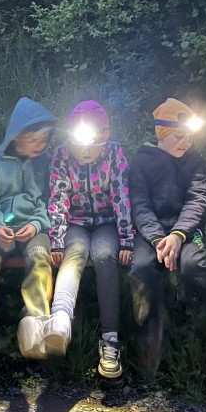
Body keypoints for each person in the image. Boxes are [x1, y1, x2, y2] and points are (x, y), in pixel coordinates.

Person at [128, 98, 206, 377]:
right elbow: (139, 205)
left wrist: (178, 235)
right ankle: (152, 329)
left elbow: (197, 200)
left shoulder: (194, 161)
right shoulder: (142, 161)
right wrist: (159, 239)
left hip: (186, 232)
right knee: (142, 268)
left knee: (194, 267)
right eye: (178, 136)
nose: (185, 142)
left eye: (189, 136)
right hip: (151, 234)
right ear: (162, 133)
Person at [43, 100, 133, 378]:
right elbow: (58, 198)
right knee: (75, 252)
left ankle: (110, 339)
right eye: (80, 144)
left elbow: (121, 196)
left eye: (93, 144)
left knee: (105, 256)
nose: (85, 151)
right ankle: (60, 319)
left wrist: (126, 238)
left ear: (104, 137)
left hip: (107, 222)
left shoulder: (114, 152)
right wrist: (57, 239)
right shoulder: (61, 155)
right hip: (75, 222)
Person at [0, 98, 57, 371]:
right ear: (17, 135)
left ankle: (35, 326)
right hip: (0, 230)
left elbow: (50, 200)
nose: (40, 146)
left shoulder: (46, 162)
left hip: (34, 228)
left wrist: (37, 224)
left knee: (40, 256)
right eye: (34, 140)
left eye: (44, 140)